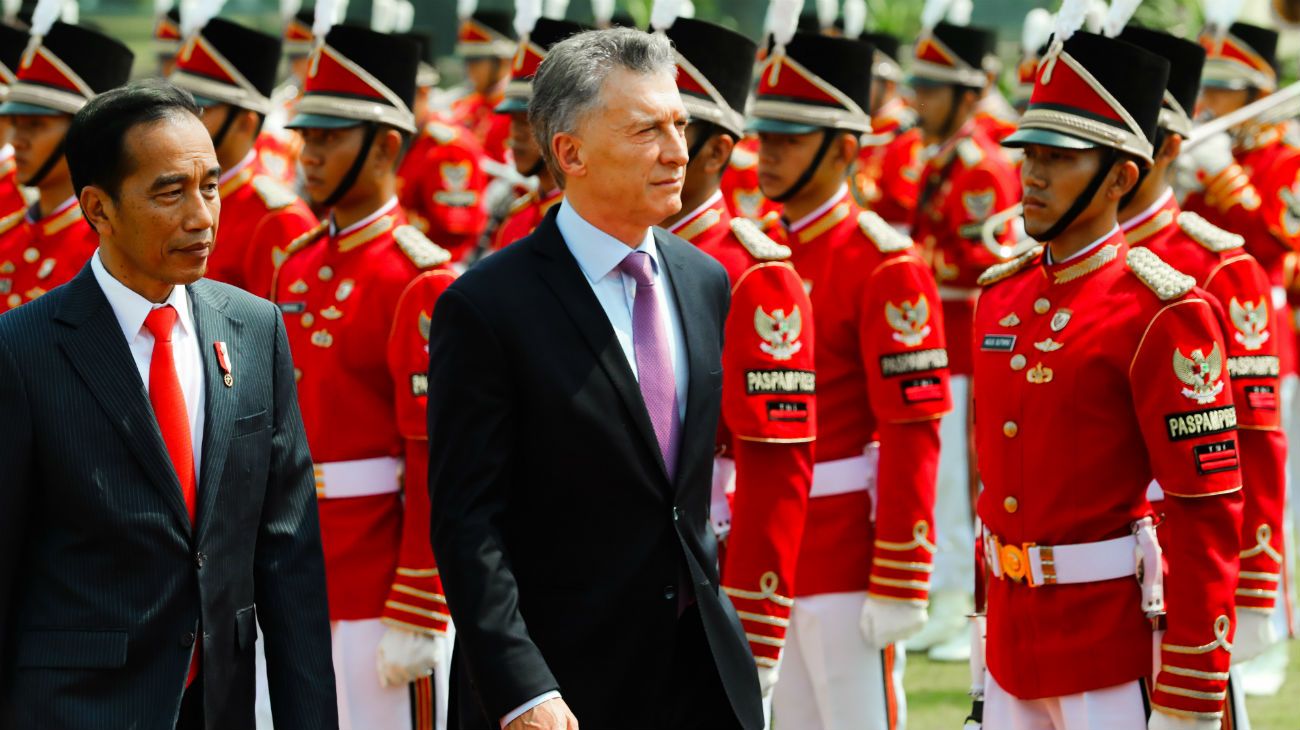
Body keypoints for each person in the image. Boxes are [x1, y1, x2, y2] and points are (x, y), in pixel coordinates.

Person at [427, 27, 764, 730]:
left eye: (680, 124)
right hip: (557, 687)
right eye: (648, 130)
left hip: (693, 679)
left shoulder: (705, 280)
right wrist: (521, 688)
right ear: (570, 153)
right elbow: (468, 525)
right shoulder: (486, 308)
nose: (678, 151)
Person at [0, 78, 336, 730]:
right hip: (75, 708)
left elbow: (288, 561)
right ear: (97, 209)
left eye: (209, 185)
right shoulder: (23, 351)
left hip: (217, 703)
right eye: (169, 192)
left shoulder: (255, 329)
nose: (202, 216)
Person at [977, 28, 1242, 729]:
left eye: (1057, 159)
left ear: (1121, 176)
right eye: (1028, 155)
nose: (1030, 175)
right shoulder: (999, 295)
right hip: (1012, 642)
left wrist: (1191, 684)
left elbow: (1205, 510)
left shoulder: (1163, 312)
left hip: (1111, 646)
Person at [750, 29, 952, 730]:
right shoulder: (760, 253)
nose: (766, 152)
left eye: (790, 138)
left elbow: (912, 431)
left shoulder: (884, 264)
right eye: (764, 134)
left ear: (843, 147)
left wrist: (900, 570)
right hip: (767, 543)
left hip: (846, 547)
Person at [273, 22, 457, 730]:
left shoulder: (419, 278)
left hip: (380, 579)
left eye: (331, 138)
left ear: (385, 145)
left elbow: (433, 455)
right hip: (297, 564)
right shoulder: (295, 261)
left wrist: (419, 594)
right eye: (308, 135)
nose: (309, 154)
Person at [1117, 25, 1287, 727]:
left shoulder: (1217, 258)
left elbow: (1250, 447)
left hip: (1185, 561)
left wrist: (1250, 590)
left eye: (1226, 90)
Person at [659, 14, 815, 710]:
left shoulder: (752, 275)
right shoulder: (599, 256)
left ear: (718, 151)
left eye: (674, 133)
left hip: (703, 573)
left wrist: (753, 626)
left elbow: (774, 465)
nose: (651, 149)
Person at [1181, 17, 1299, 701]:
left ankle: (1270, 633)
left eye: (1227, 89)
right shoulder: (1206, 149)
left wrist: (1226, 174)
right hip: (1202, 333)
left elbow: (1281, 235)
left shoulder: (1282, 156)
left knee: (1266, 495)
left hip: (1263, 338)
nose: (1212, 102)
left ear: (1258, 89)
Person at [908, 19, 1022, 663]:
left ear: (964, 95)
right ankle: (944, 595)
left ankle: (960, 604)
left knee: (958, 482)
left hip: (962, 344)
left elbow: (984, 261)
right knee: (941, 481)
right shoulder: (948, 157)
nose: (919, 98)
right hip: (941, 345)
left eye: (933, 86)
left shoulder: (979, 166)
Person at [168, 17, 316, 296]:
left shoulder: (276, 219)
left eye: (200, 110)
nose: (181, 120)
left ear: (245, 123)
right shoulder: (167, 195)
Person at [0, 20, 133, 313]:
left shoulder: (113, 248)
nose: (17, 141)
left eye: (35, 125)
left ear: (84, 131)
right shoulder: (7, 236)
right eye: (16, 123)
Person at [487, 16, 582, 251]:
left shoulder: (590, 224)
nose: (514, 135)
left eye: (527, 122)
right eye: (513, 121)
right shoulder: (515, 220)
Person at [852, 31, 923, 230]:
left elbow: (902, 211)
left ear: (889, 84)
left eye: (865, 80)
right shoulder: (864, 128)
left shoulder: (907, 135)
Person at [450, 5, 515, 164]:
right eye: (467, 61)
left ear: (502, 61)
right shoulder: (461, 107)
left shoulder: (518, 114)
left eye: (476, 60)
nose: (470, 69)